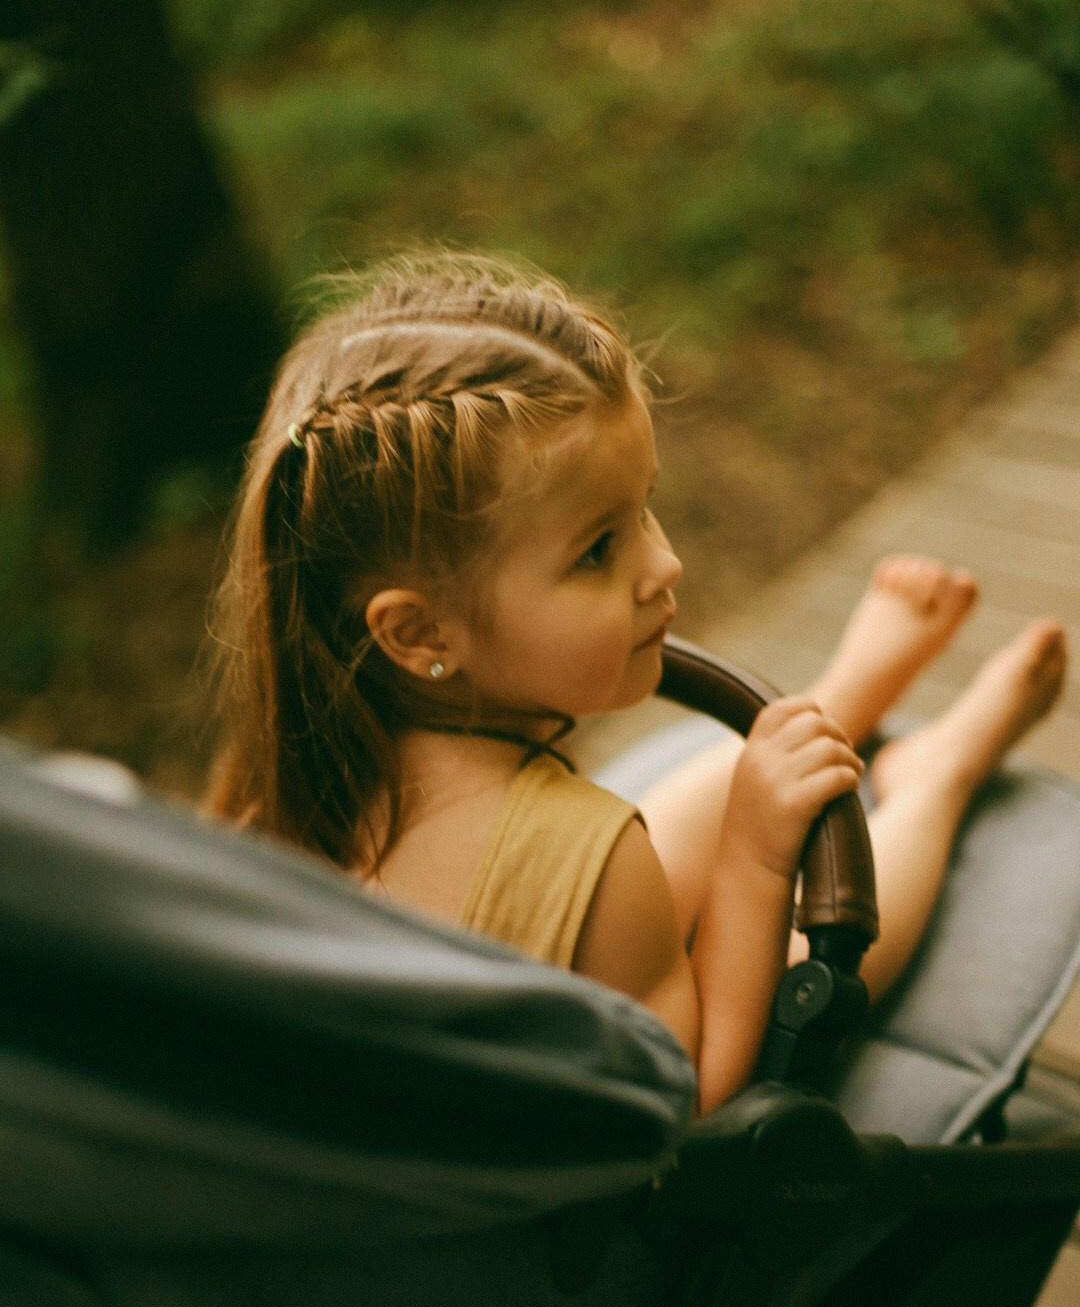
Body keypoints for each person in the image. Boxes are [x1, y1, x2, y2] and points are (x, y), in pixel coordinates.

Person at [207, 254, 1067, 1113]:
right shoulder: (598, 851)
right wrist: (756, 858)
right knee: (808, 964)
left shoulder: (279, 787)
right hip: (618, 1200)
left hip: (530, 999)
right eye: (597, 549)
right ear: (421, 631)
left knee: (642, 859)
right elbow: (694, 1084)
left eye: (643, 507)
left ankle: (838, 700)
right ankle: (939, 778)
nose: (665, 564)